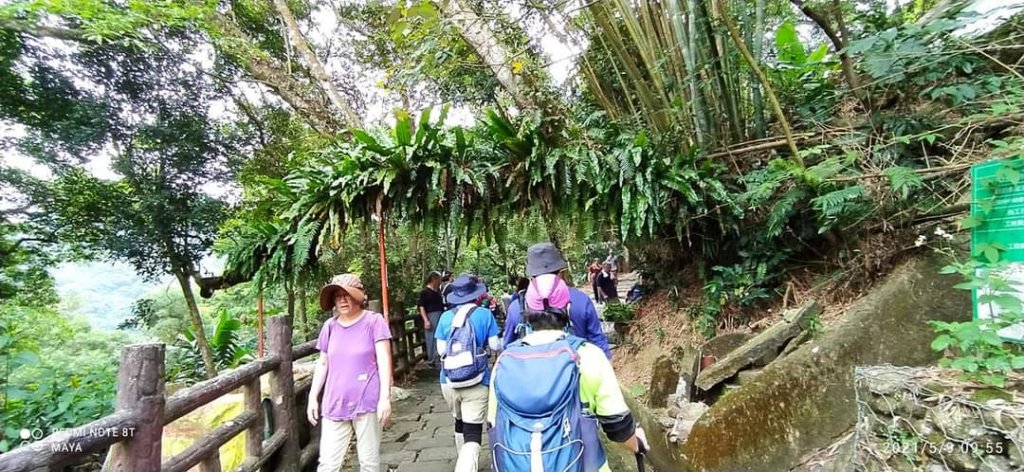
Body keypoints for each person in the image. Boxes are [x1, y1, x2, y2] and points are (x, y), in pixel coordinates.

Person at [487, 273, 648, 471]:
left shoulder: (504, 361)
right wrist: (637, 443)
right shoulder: (588, 355)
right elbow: (618, 427)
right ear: (568, 308)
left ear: (527, 311)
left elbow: (493, 424)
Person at [308, 274, 393, 472]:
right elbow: (322, 363)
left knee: (368, 462)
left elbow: (384, 358)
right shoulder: (330, 327)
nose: (342, 300)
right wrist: (313, 397)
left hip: (367, 400)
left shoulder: (374, 321)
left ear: (358, 297)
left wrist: (385, 398)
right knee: (328, 464)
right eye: (337, 296)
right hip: (334, 401)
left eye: (347, 295)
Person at [435, 274, 501, 472]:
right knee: (472, 432)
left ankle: (461, 458)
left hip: (448, 380)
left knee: (459, 420)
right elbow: (494, 345)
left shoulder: (446, 317)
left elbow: (440, 351)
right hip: (477, 379)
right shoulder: (484, 315)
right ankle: (464, 467)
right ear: (476, 295)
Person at [503, 242, 613, 359]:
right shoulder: (581, 300)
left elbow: (508, 347)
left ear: (531, 276)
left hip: (531, 373)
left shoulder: (517, 307)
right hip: (577, 369)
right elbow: (597, 340)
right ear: (561, 273)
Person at [417, 271, 446, 367]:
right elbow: (421, 306)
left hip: (440, 315)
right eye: (438, 280)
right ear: (433, 279)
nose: (440, 282)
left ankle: (439, 357)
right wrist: (426, 320)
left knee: (439, 336)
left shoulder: (437, 292)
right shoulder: (425, 292)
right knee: (431, 338)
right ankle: (431, 359)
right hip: (430, 316)